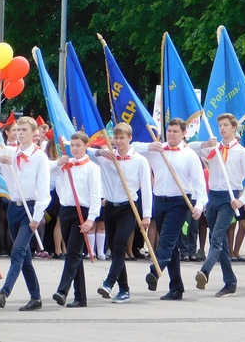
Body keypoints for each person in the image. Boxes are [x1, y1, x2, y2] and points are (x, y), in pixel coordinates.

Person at [132, 118, 206, 300]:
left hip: (180, 202)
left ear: (183, 134)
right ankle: (176, 288)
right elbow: (133, 147)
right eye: (169, 131)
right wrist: (149, 147)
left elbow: (200, 185)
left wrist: (199, 205)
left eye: (175, 131)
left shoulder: (189, 155)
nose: (171, 134)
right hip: (160, 201)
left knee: (166, 240)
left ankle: (155, 271)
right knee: (171, 248)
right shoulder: (158, 150)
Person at [0, 116, 50, 311]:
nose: (20, 133)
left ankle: (4, 292)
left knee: (17, 251)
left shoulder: (40, 157)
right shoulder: (10, 152)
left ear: (34, 134)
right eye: (17, 130)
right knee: (25, 257)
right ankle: (36, 297)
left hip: (30, 208)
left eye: (24, 130)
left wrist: (37, 217)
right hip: (13, 207)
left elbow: (44, 191)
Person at [189, 114, 245, 297]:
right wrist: (204, 144)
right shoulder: (215, 149)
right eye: (220, 125)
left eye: (226, 125)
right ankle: (230, 282)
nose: (222, 128)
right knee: (221, 242)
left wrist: (241, 200)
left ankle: (205, 271)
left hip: (229, 198)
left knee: (217, 236)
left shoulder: (241, 152)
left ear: (234, 128)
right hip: (213, 196)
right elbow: (190, 148)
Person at [92, 123, 152, 303]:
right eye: (115, 138)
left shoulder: (140, 160)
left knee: (119, 245)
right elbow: (83, 151)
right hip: (110, 207)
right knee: (115, 250)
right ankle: (124, 289)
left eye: (122, 138)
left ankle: (109, 283)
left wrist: (146, 214)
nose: (118, 142)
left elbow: (147, 188)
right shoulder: (107, 157)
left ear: (129, 138)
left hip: (129, 207)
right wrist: (99, 152)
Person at [51, 132, 102, 307]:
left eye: (78, 145)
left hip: (83, 212)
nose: (74, 148)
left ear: (86, 146)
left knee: (72, 252)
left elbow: (96, 195)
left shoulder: (92, 168)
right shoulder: (66, 165)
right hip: (66, 211)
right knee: (76, 255)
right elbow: (48, 171)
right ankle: (80, 297)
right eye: (72, 145)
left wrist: (91, 219)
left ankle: (62, 290)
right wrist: (59, 162)